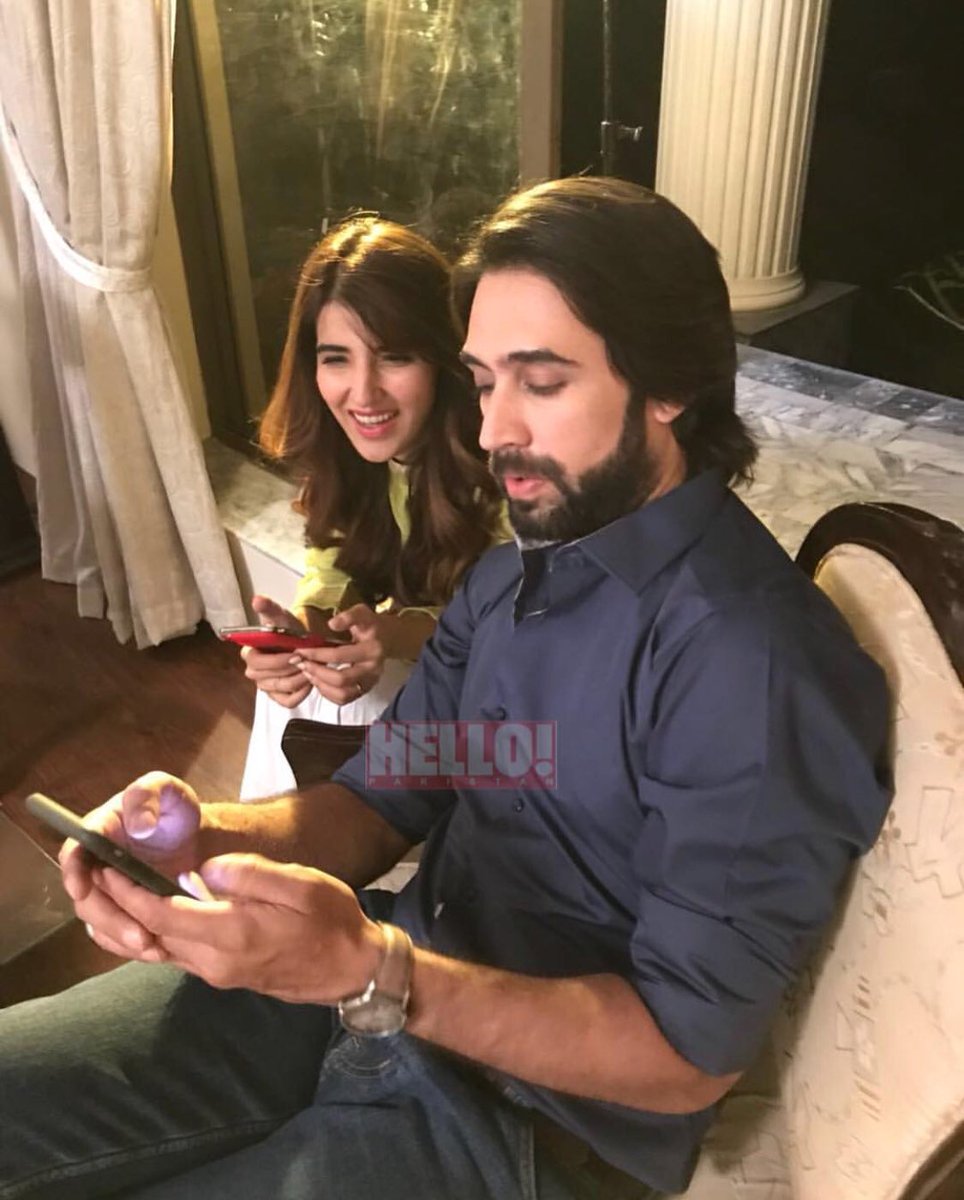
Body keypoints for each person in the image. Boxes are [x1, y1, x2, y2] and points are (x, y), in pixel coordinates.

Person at [0, 178, 892, 1200]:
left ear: (672, 385)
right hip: (377, 992)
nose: (495, 428)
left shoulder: (749, 665)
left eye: (540, 382)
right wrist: (199, 838)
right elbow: (380, 798)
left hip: (525, 1126)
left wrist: (374, 970)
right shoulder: (511, 579)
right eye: (481, 380)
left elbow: (684, 1057)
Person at [239, 215, 505, 798]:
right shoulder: (351, 459)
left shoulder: (506, 465)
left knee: (364, 703)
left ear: (444, 358)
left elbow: (517, 644)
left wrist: (396, 638)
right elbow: (330, 571)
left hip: (530, 740)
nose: (363, 392)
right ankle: (262, 846)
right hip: (441, 703)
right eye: (336, 358)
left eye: (394, 357)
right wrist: (299, 639)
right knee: (298, 690)